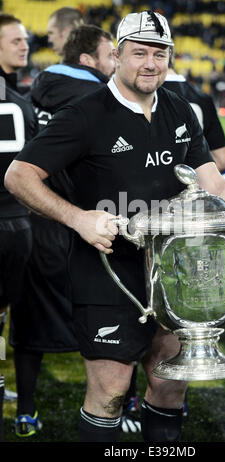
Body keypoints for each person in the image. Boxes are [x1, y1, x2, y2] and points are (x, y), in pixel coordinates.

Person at [5, 10, 225, 443]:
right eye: (139, 52)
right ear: (117, 55)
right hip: (107, 273)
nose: (150, 63)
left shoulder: (177, 108)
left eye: (159, 54)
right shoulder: (85, 113)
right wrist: (79, 218)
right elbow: (18, 175)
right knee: (110, 391)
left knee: (169, 383)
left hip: (174, 273)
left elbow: (212, 179)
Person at [9, 24, 132, 438]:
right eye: (110, 54)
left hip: (36, 217)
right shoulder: (94, 102)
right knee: (112, 321)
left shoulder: (35, 88)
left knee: (29, 320)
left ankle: (26, 409)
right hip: (85, 222)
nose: (116, 61)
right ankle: (119, 407)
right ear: (87, 61)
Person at [0, 13, 38, 441]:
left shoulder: (22, 98)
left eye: (25, 40)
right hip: (15, 224)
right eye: (15, 40)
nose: (24, 46)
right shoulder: (22, 102)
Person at [163, 55, 225, 172]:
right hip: (192, 183)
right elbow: (222, 161)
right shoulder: (202, 97)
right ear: (171, 56)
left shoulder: (142, 95)